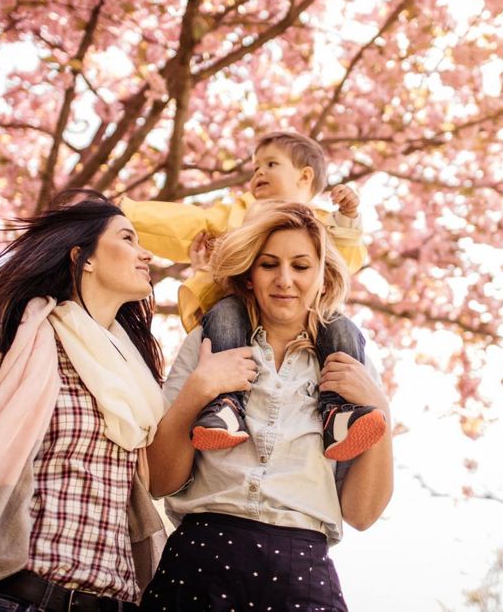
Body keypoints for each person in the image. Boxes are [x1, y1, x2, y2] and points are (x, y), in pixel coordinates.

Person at [0, 190, 192, 612]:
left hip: (115, 598)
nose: (145, 253)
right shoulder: (19, 346)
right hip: (19, 596)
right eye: (128, 238)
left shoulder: (135, 377)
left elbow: (160, 482)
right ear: (84, 258)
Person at [141, 203, 395, 611]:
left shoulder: (350, 362)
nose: (284, 280)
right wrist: (197, 392)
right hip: (201, 559)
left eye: (300, 266)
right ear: (249, 273)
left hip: (302, 571)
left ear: (322, 275)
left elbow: (363, 514)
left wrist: (379, 409)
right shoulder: (209, 342)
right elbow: (160, 481)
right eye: (269, 265)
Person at [122, 131, 386, 461]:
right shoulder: (241, 213)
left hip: (308, 317)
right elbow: (188, 223)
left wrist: (348, 217)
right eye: (255, 166)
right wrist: (127, 216)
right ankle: (226, 407)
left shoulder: (321, 225)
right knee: (223, 317)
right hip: (239, 306)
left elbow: (347, 257)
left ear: (304, 176)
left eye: (271, 164)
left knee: (343, 328)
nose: (258, 172)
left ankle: (341, 413)